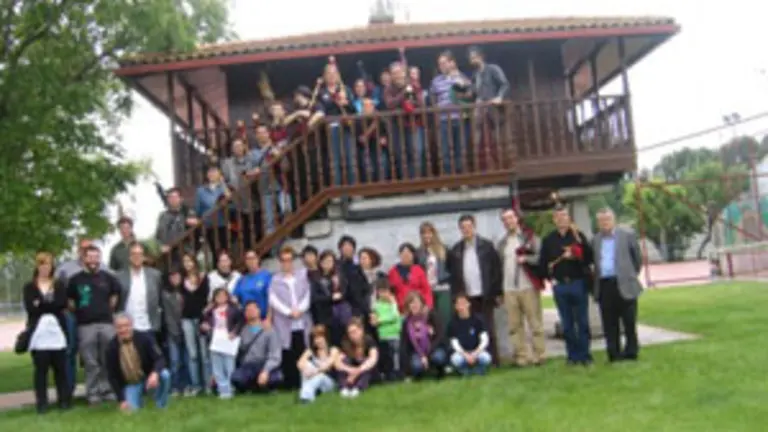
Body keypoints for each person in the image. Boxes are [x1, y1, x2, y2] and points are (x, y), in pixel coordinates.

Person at [539, 205, 594, 366]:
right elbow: (544, 264)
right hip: (560, 286)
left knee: (582, 322)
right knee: (567, 324)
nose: (561, 219)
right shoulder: (549, 240)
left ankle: (585, 355)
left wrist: (577, 255)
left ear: (569, 218)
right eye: (558, 217)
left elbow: (589, 258)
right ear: (554, 220)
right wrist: (550, 277)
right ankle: (572, 356)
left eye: (564, 216)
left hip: (578, 283)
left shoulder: (578, 236)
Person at [67, 245, 122, 405]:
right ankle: (92, 393)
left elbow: (115, 295)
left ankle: (108, 390)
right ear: (84, 258)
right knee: (90, 362)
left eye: (96, 257)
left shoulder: (108, 277)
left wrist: (107, 309)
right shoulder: (75, 279)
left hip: (106, 324)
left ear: (100, 259)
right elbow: (70, 301)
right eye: (90, 257)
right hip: (85, 325)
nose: (93, 260)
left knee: (107, 359)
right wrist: (81, 312)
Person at [446, 214, 502, 365]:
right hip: (466, 297)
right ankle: (469, 359)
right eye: (463, 228)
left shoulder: (487, 246)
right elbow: (453, 275)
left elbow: (496, 270)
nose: (466, 230)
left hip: (485, 294)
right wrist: (457, 297)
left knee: (488, 328)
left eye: (469, 226)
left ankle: (492, 360)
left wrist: (497, 292)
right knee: (467, 330)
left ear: (474, 226)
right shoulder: (456, 250)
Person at [592, 207, 643, 362]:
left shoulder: (627, 235)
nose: (605, 223)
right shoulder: (595, 240)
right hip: (605, 285)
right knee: (609, 322)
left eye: (607, 219)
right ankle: (614, 353)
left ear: (613, 220)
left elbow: (637, 259)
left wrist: (630, 275)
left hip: (625, 283)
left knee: (629, 321)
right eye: (601, 220)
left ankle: (631, 351)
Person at [497, 209, 546, 366]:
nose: (508, 221)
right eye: (505, 219)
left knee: (535, 322)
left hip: (528, 286)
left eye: (510, 218)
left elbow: (541, 257)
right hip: (509, 288)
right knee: (514, 325)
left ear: (517, 219)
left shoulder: (530, 238)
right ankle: (521, 356)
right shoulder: (502, 243)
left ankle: (539, 354)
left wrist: (526, 259)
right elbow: (499, 267)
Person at [23, 252, 70, 413]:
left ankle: (63, 401)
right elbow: (31, 308)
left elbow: (61, 304)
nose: (45, 268)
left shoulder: (59, 285)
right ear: (37, 266)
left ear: (52, 267)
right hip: (38, 334)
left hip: (57, 333)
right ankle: (42, 403)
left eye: (48, 264)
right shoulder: (29, 287)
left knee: (60, 370)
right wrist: (49, 304)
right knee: (41, 371)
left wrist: (41, 304)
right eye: (42, 264)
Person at [105, 313, 171, 411]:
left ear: (131, 325)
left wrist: (155, 373)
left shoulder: (144, 338)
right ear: (115, 328)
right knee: (131, 412)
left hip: (148, 378)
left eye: (126, 326)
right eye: (119, 327)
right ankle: (139, 400)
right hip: (131, 383)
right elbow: (112, 376)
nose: (123, 330)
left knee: (165, 375)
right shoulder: (111, 348)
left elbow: (160, 358)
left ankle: (160, 406)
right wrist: (121, 400)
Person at [268, 246, 312, 389]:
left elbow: (308, 294)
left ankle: (306, 379)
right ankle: (292, 383)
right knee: (288, 351)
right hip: (285, 322)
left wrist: (300, 309)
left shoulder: (302, 276)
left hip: (302, 320)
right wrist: (288, 312)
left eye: (289, 260)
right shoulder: (275, 280)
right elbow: (273, 300)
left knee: (303, 348)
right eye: (284, 261)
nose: (287, 263)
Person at [430, 50, 473, 176]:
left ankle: (461, 180)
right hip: (443, 120)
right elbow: (432, 98)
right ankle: (448, 180)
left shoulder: (462, 78)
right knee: (444, 151)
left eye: (444, 63)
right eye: (439, 64)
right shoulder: (436, 81)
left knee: (460, 150)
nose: (441, 66)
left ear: (452, 63)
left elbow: (469, 97)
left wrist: (460, 82)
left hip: (460, 119)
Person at [383, 61, 426, 180]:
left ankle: (417, 181)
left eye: (399, 72)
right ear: (391, 76)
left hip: (413, 124)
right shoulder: (388, 89)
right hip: (397, 126)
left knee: (416, 152)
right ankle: (406, 183)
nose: (397, 75)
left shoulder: (414, 85)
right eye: (394, 73)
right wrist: (403, 94)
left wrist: (412, 104)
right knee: (401, 155)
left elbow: (421, 103)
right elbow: (390, 104)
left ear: (404, 73)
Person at [231, 302, 283, 392]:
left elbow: (275, 355)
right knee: (236, 379)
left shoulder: (269, 329)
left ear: (259, 311)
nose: (251, 311)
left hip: (264, 363)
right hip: (248, 365)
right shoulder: (242, 330)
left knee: (276, 378)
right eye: (248, 310)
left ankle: (262, 386)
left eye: (253, 309)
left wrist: (266, 371)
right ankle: (254, 386)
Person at [201, 287, 243, 399]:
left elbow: (240, 322)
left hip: (229, 340)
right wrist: (205, 326)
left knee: (229, 365)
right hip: (215, 340)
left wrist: (235, 332)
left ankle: (231, 388)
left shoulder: (233, 309)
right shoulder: (210, 311)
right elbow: (203, 323)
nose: (221, 298)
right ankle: (222, 390)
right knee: (217, 367)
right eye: (218, 296)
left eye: (223, 295)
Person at [116, 243, 163, 341]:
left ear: (144, 257)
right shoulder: (119, 276)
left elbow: (159, 298)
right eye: (134, 254)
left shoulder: (155, 275)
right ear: (129, 257)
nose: (137, 257)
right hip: (127, 328)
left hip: (149, 326)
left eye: (140, 254)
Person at [179, 253, 211, 395]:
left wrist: (205, 314)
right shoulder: (181, 281)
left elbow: (208, 298)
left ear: (194, 262)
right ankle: (196, 385)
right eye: (184, 261)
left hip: (201, 318)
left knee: (204, 354)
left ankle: (208, 385)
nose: (187, 264)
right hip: (186, 319)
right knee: (192, 354)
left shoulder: (203, 277)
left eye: (189, 261)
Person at [400, 291, 447, 380]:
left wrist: (427, 354)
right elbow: (404, 344)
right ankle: (419, 374)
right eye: (411, 303)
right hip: (417, 352)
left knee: (439, 357)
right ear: (408, 306)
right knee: (416, 365)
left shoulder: (431, 315)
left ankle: (439, 371)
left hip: (433, 349)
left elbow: (440, 336)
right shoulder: (406, 322)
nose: (414, 305)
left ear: (422, 303)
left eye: (417, 302)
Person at [417, 222, 452, 334]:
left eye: (429, 232)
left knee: (445, 318)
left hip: (443, 288)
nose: (427, 236)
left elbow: (451, 268)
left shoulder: (444, 249)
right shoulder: (419, 252)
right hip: (427, 290)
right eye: (424, 233)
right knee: (430, 319)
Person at [448, 293, 492, 376]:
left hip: (476, 351)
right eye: (459, 304)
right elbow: (454, 343)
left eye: (464, 303)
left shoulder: (478, 320)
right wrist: (465, 355)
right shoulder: (452, 323)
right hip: (462, 353)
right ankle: (464, 370)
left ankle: (479, 369)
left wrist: (475, 353)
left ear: (469, 304)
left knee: (486, 358)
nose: (462, 306)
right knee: (455, 359)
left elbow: (484, 340)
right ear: (456, 306)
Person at [335, 318, 379, 398]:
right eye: (350, 333)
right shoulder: (346, 342)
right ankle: (344, 388)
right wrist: (350, 370)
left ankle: (358, 388)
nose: (352, 335)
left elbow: (373, 359)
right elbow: (337, 363)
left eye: (354, 332)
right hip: (351, 369)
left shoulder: (369, 340)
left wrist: (358, 371)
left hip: (364, 370)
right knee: (344, 361)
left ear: (361, 330)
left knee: (367, 364)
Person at [161, 268, 187, 396]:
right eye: (172, 277)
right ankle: (175, 386)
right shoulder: (165, 294)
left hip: (186, 330)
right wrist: (174, 331)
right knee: (175, 360)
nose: (175, 279)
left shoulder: (185, 291)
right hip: (172, 331)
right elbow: (168, 315)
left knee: (186, 360)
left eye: (177, 276)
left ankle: (186, 385)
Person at [195, 164, 232, 253]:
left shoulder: (224, 187)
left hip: (223, 224)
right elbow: (198, 209)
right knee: (214, 251)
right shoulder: (200, 190)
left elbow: (230, 198)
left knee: (225, 251)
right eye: (210, 171)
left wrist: (222, 182)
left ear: (219, 173)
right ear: (207, 175)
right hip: (209, 226)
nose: (212, 174)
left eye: (214, 171)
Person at [310, 250, 345, 346]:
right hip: (322, 316)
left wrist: (337, 285)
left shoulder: (338, 276)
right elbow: (314, 297)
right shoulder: (315, 277)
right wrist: (330, 297)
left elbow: (343, 294)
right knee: (326, 343)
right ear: (320, 262)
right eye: (325, 261)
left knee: (339, 342)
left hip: (338, 316)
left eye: (331, 261)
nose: (328, 264)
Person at [155, 187, 199, 263]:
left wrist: (193, 221)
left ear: (180, 199)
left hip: (185, 254)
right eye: (170, 197)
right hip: (167, 255)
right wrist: (161, 247)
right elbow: (158, 236)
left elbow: (197, 226)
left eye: (175, 197)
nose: (173, 199)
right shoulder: (162, 216)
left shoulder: (187, 212)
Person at [297, 325, 339, 403]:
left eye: (320, 337)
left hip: (329, 383)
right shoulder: (311, 351)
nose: (318, 340)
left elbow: (327, 366)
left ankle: (305, 397)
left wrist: (313, 371)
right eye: (315, 338)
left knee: (320, 375)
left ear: (325, 337)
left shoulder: (333, 350)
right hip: (313, 379)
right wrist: (305, 369)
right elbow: (299, 363)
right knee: (306, 365)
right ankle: (306, 394)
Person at [388, 242, 433, 312]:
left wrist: (428, 305)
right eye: (403, 253)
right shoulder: (393, 271)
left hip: (418, 307)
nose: (406, 255)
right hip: (400, 308)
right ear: (400, 255)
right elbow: (390, 292)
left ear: (413, 255)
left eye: (409, 253)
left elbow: (427, 290)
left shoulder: (418, 270)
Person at [371, 279, 401, 381]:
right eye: (381, 292)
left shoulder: (393, 303)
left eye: (385, 291)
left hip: (395, 333)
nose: (383, 294)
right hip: (383, 335)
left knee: (396, 355)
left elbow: (395, 316)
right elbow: (375, 321)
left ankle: (397, 372)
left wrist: (382, 320)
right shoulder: (376, 306)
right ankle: (388, 374)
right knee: (386, 356)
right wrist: (382, 320)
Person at [337, 236, 371, 320]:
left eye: (350, 246)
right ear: (340, 249)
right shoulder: (337, 267)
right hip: (344, 308)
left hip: (360, 309)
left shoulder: (357, 267)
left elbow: (365, 288)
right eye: (345, 246)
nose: (348, 248)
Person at [232, 250, 272, 321]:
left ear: (258, 259)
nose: (251, 261)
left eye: (253, 258)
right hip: (246, 321)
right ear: (245, 262)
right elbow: (234, 298)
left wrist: (268, 318)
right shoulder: (242, 279)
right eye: (248, 259)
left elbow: (272, 299)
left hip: (263, 320)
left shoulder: (266, 276)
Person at [359, 247, 384, 314]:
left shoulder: (381, 275)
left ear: (372, 259)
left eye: (364, 258)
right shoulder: (357, 276)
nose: (362, 261)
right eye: (361, 258)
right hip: (364, 311)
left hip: (380, 309)